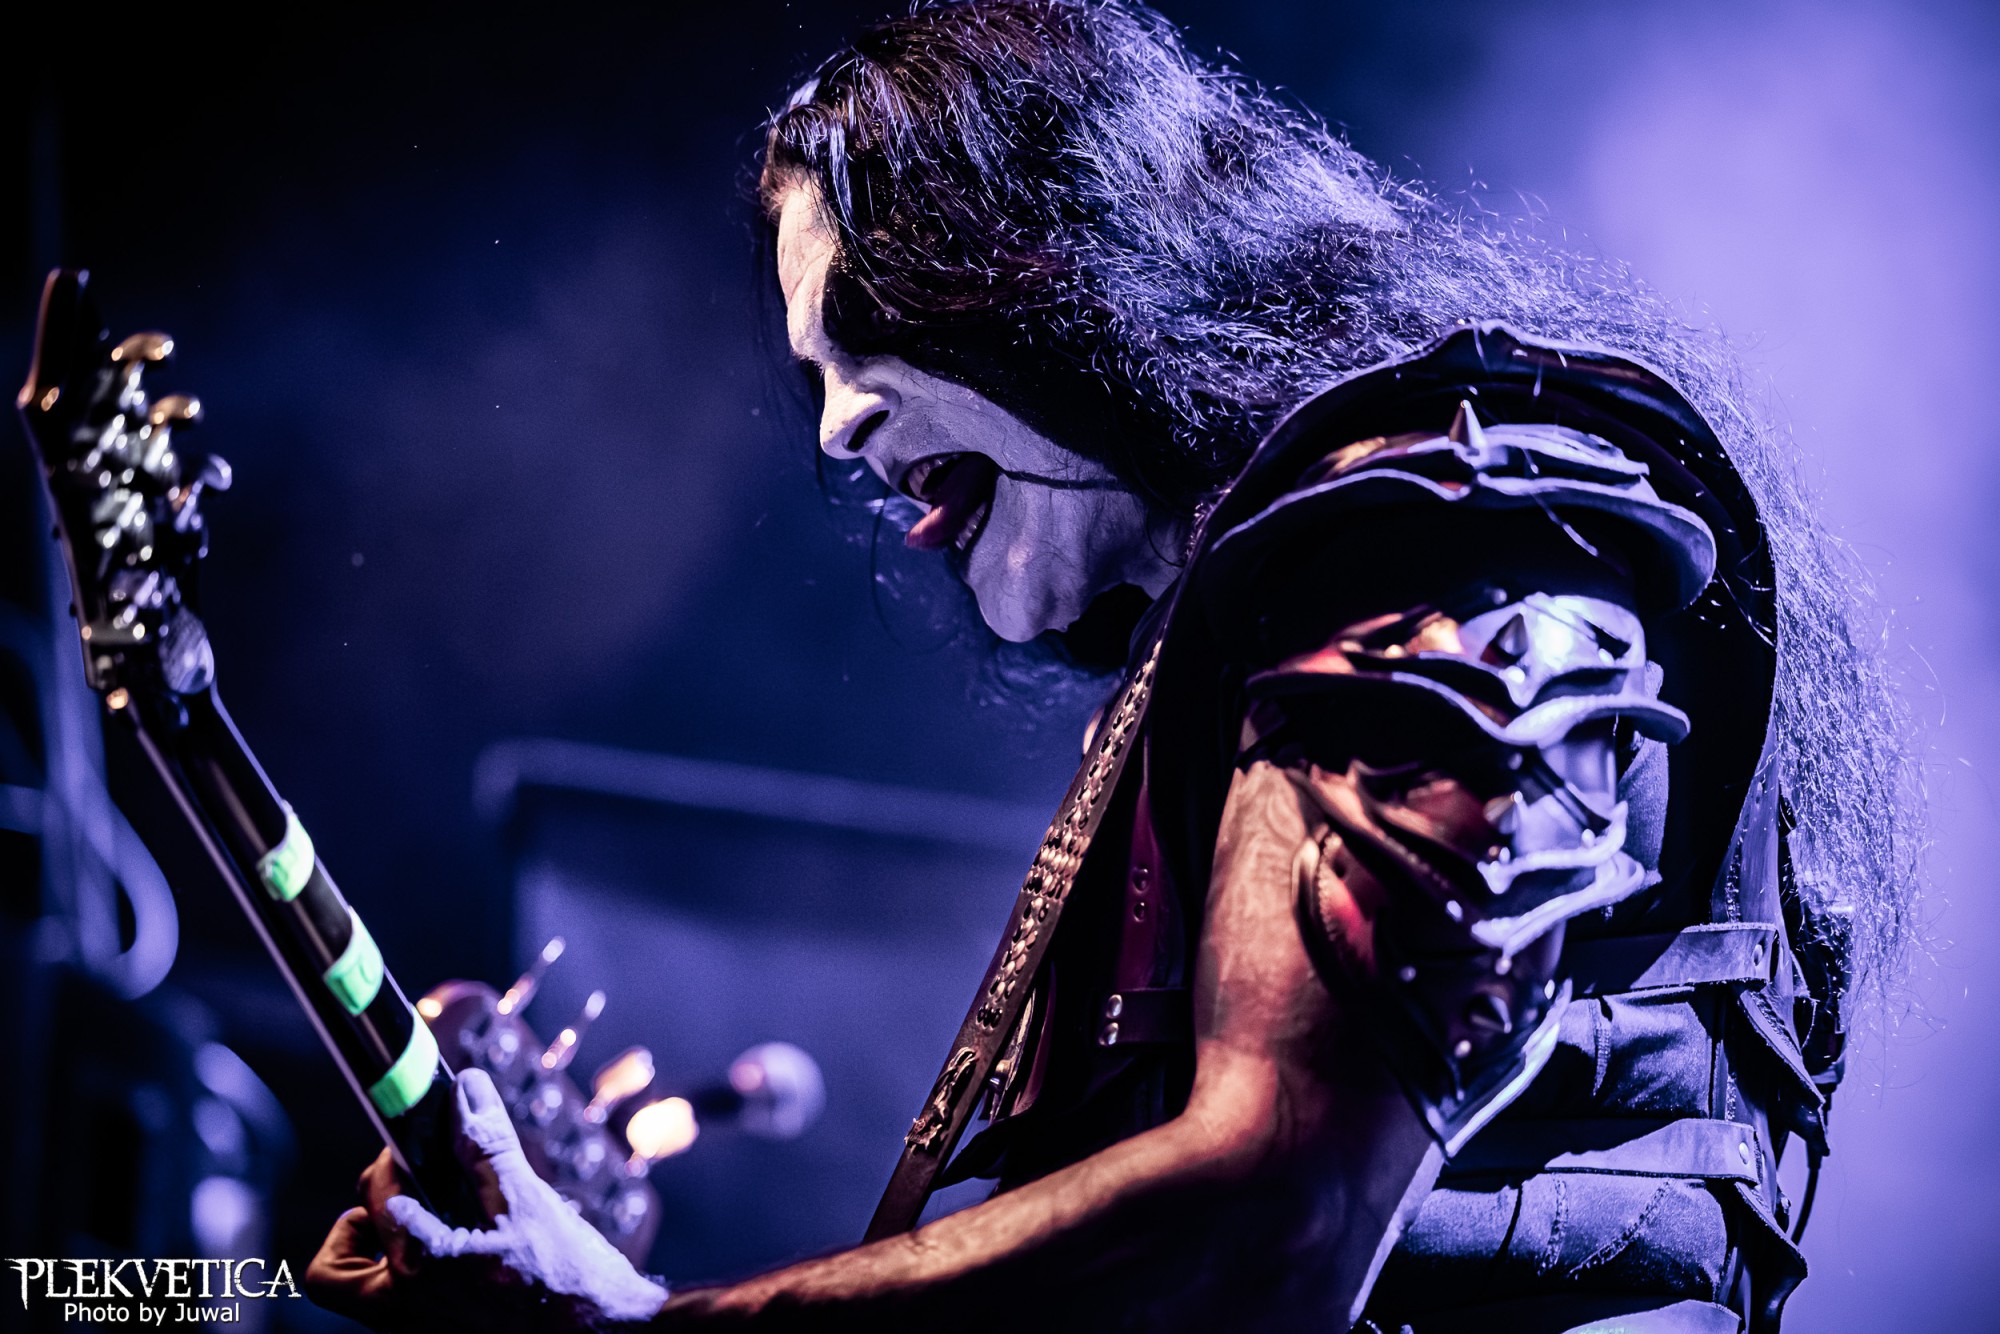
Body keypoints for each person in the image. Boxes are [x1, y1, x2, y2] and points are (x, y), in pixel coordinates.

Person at [305, 2, 1918, 1330]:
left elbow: (1275, 1214)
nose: (838, 427)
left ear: (1053, 255)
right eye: (813, 371)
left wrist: (641, 1327)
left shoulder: (1448, 509)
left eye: (864, 324)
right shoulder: (1280, 615)